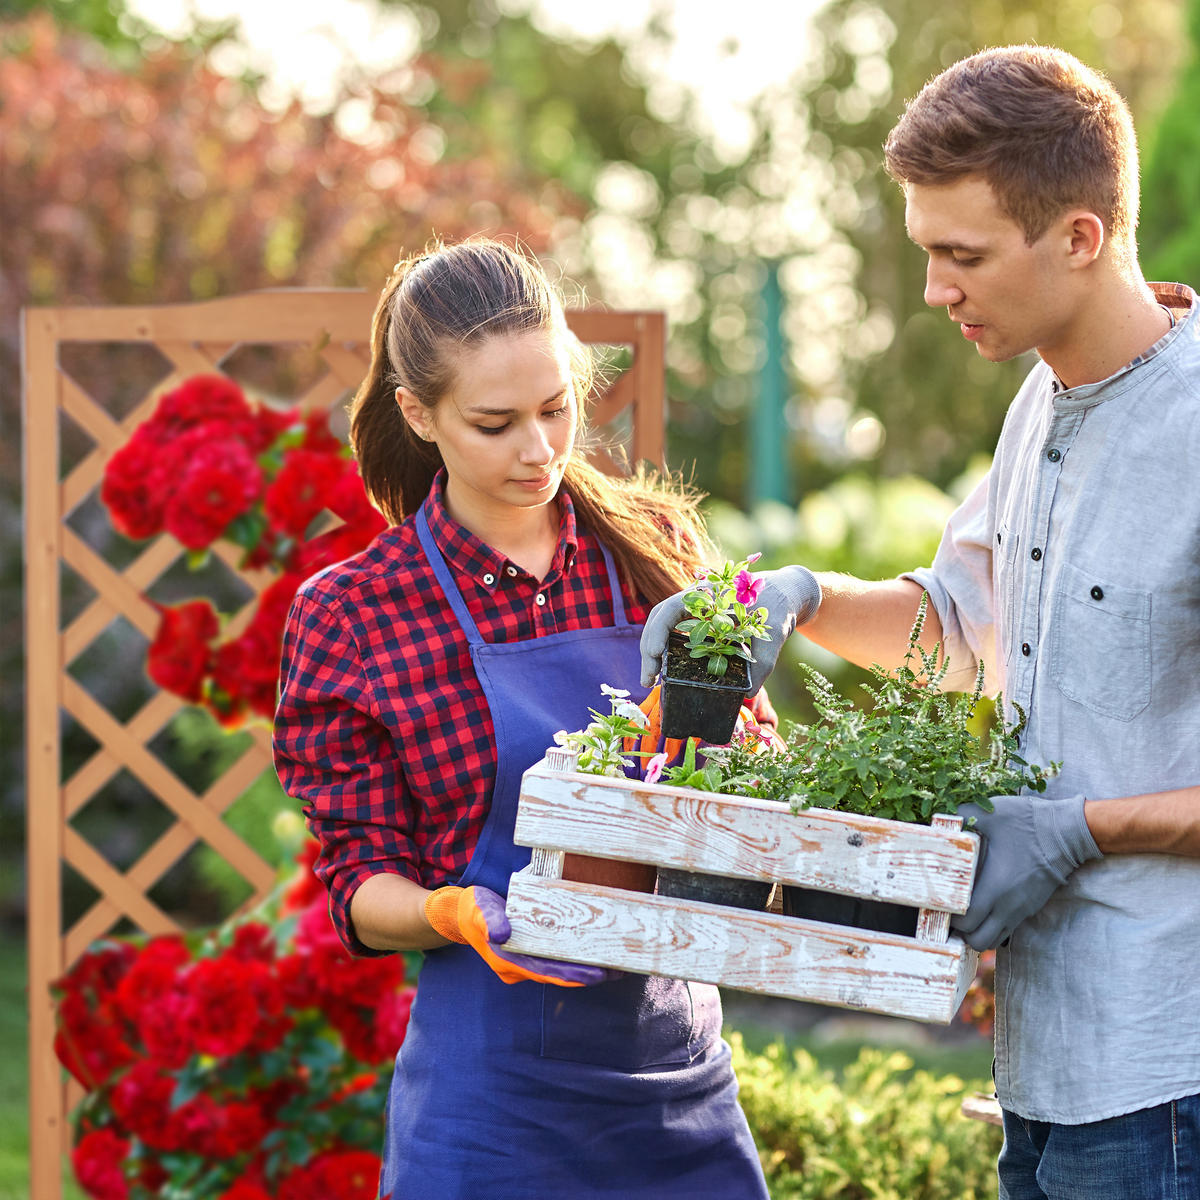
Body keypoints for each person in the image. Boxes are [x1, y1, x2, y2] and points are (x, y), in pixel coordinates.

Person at [641, 44, 1200, 1200]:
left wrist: (1078, 829)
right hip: (1045, 1055)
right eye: (928, 252)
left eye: (964, 255)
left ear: (1081, 237)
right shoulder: (1042, 399)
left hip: (1171, 1068)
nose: (937, 289)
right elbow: (958, 629)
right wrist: (787, 600)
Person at [272, 237, 771, 1199]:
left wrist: (750, 764)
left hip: (678, 1084)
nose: (539, 449)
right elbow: (355, 879)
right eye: (495, 423)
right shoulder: (358, 612)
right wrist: (449, 913)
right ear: (420, 414)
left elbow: (753, 755)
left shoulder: (652, 552)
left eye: (556, 410)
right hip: (491, 1105)